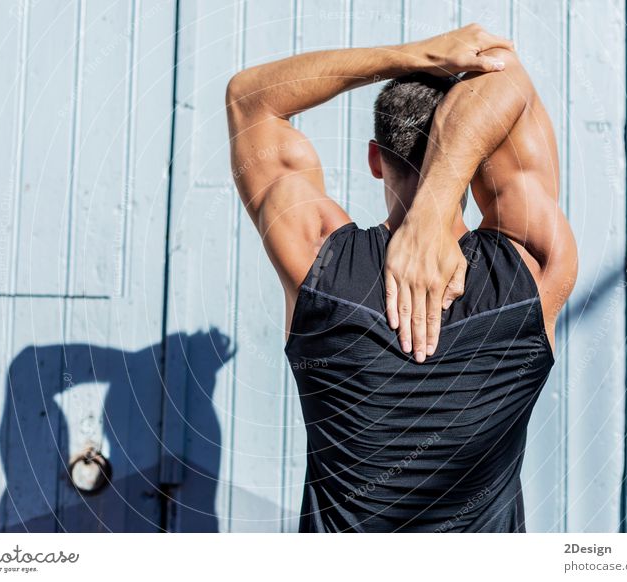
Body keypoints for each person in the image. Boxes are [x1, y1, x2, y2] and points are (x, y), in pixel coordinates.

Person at [225, 24, 578, 532]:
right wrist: (436, 210)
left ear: (375, 159)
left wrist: (412, 56)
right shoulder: (530, 268)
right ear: (479, 159)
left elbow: (248, 100)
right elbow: (506, 72)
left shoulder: (319, 263)